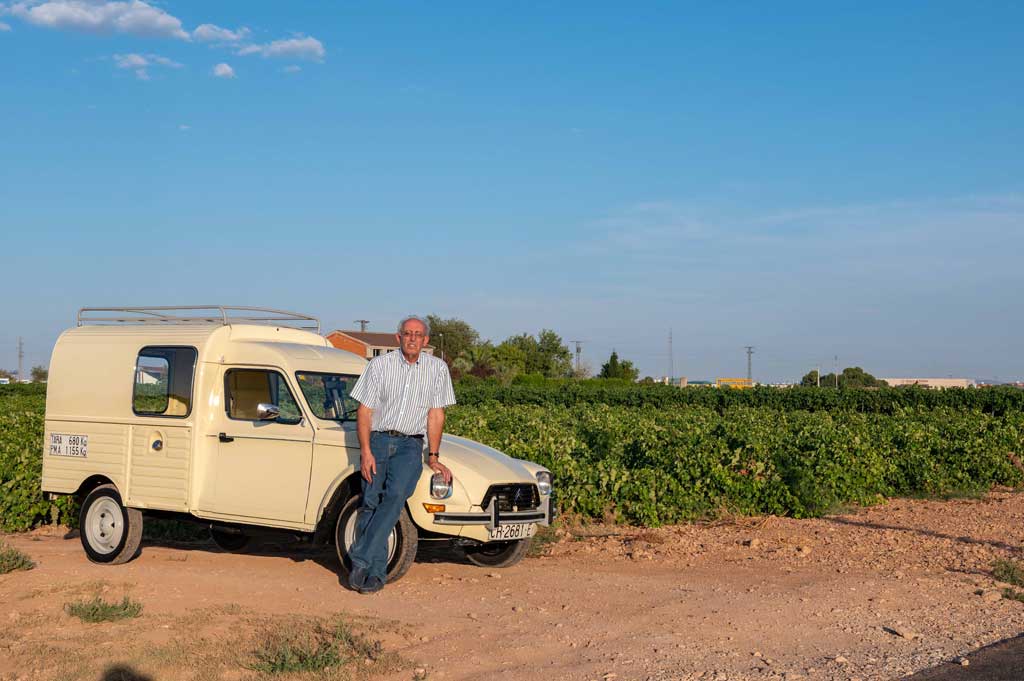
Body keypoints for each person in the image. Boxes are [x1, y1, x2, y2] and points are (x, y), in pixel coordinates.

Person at [347, 315, 455, 594]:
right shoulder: (379, 366)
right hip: (379, 441)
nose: (412, 338)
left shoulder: (437, 369)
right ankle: (376, 574)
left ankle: (359, 558)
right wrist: (366, 451)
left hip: (410, 446)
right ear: (398, 337)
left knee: (395, 497)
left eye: (418, 335)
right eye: (407, 333)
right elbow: (365, 411)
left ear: (426, 340)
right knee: (371, 502)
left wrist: (433, 456)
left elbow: (436, 414)